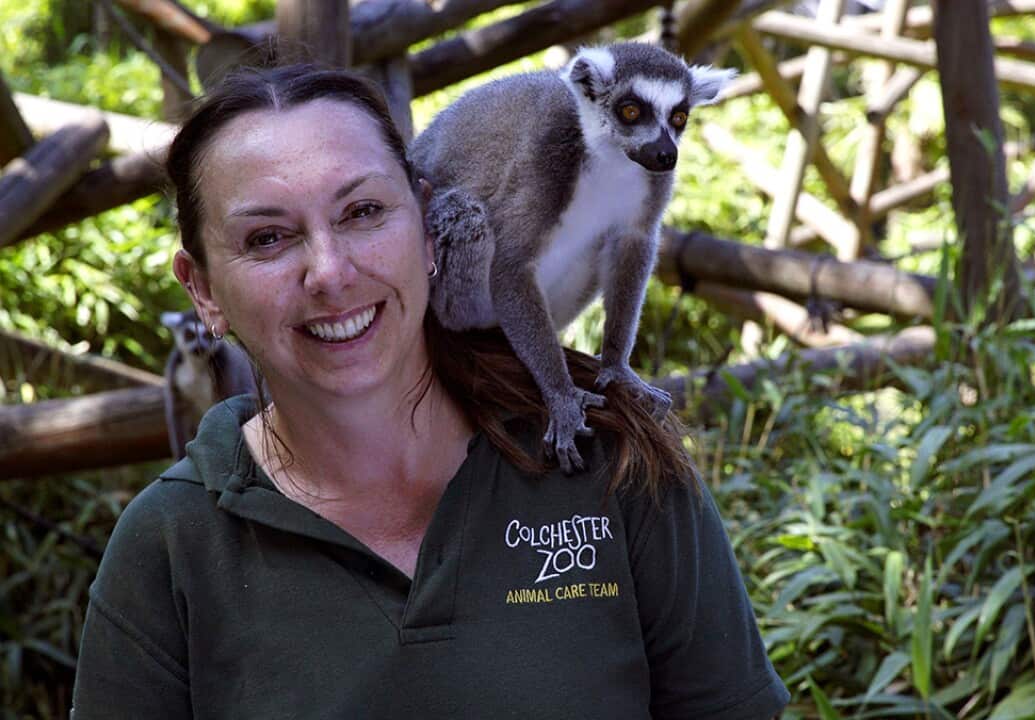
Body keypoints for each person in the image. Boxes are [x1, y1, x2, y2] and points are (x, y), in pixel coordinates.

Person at [71, 64, 789, 719]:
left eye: (362, 214)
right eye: (266, 238)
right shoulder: (169, 545)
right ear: (202, 291)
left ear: (427, 223)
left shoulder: (617, 466)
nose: (330, 273)